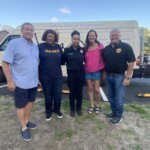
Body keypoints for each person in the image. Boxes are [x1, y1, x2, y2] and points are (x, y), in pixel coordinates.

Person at [2, 22, 39, 141]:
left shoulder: (34, 46)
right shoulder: (14, 43)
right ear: (22, 31)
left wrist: (37, 79)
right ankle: (23, 127)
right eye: (27, 29)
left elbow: (35, 64)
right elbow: (5, 63)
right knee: (21, 105)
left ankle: (27, 121)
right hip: (20, 83)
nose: (29, 31)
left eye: (31, 30)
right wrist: (9, 81)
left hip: (32, 83)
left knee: (30, 102)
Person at [102, 29, 135, 125]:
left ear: (120, 36)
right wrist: (104, 74)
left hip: (119, 77)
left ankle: (119, 115)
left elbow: (131, 62)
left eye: (116, 35)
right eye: (112, 35)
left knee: (119, 98)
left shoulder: (126, 47)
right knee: (111, 97)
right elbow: (105, 63)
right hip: (108, 76)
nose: (114, 37)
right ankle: (114, 112)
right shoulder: (106, 49)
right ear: (110, 37)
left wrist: (128, 77)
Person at [38, 29, 63, 121]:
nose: (50, 38)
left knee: (57, 95)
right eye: (48, 36)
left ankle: (57, 110)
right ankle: (48, 112)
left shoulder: (58, 47)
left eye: (52, 36)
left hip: (57, 76)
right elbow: (36, 61)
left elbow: (62, 59)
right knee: (48, 96)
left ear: (55, 38)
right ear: (45, 37)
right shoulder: (40, 47)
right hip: (45, 77)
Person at [62, 30, 85, 117]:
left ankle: (79, 108)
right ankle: (72, 109)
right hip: (71, 75)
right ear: (71, 39)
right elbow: (62, 62)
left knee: (79, 92)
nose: (76, 40)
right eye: (74, 39)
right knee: (72, 92)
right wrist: (61, 53)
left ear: (79, 40)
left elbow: (87, 61)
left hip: (80, 74)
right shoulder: (67, 50)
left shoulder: (83, 50)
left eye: (78, 39)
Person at [84, 30, 104, 114]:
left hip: (97, 71)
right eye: (90, 36)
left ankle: (98, 105)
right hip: (88, 71)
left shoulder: (100, 46)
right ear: (87, 37)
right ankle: (92, 106)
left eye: (93, 35)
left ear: (96, 36)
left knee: (96, 90)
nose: (91, 37)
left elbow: (104, 58)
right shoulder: (86, 47)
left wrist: (104, 71)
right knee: (89, 89)